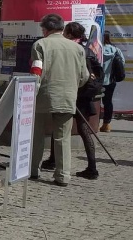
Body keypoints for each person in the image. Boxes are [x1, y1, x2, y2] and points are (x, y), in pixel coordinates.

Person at [29, 14, 88, 186]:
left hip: (43, 96)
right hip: (67, 97)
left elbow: (36, 73)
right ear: (62, 28)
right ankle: (63, 175)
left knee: (37, 135)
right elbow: (84, 76)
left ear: (45, 29)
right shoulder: (78, 49)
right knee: (63, 137)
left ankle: (33, 170)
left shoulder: (40, 45)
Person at [40, 22, 100, 180]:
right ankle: (54, 160)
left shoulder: (81, 51)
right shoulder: (86, 50)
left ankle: (92, 167)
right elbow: (96, 73)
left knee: (78, 129)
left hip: (78, 96)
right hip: (78, 94)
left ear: (68, 34)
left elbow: (88, 76)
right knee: (67, 127)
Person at [101, 32, 125, 132]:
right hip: (110, 80)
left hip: (97, 80)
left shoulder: (97, 49)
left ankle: (92, 123)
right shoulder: (116, 50)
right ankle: (106, 125)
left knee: (94, 102)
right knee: (108, 102)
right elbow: (122, 62)